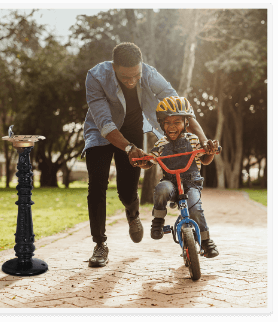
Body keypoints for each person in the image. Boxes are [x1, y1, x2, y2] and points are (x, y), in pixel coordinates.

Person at [82, 42, 217, 267]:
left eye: (136, 75)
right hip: (100, 131)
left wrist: (203, 141)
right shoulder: (96, 77)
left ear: (141, 67)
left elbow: (180, 108)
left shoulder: (150, 74)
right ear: (114, 67)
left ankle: (132, 213)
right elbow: (105, 123)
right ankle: (99, 244)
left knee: (127, 191)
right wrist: (128, 148)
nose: (132, 81)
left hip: (132, 129)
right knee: (97, 185)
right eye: (125, 77)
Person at [137, 96, 219, 258]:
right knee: (161, 188)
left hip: (191, 184)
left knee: (195, 210)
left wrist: (210, 153)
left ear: (186, 123)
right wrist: (142, 162)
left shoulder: (194, 140)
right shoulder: (161, 144)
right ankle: (158, 221)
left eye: (177, 122)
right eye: (167, 122)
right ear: (161, 124)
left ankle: (206, 241)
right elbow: (150, 161)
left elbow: (205, 160)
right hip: (171, 184)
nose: (172, 126)